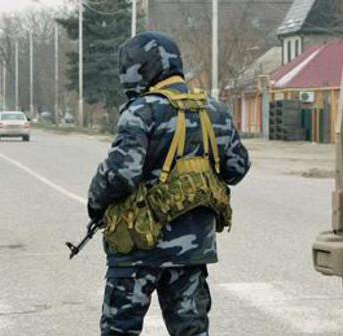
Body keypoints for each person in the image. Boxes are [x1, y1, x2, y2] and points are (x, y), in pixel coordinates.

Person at [87, 31, 251, 336]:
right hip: (192, 252)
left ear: (140, 68)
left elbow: (121, 174)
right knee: (191, 331)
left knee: (120, 330)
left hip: (137, 250)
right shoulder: (214, 111)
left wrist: (94, 204)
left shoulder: (141, 110)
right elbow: (237, 169)